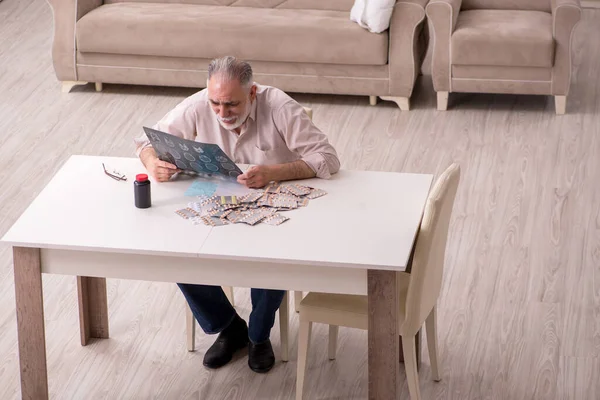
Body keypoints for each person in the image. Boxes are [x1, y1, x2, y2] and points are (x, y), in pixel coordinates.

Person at [134, 56, 340, 373]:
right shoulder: (198, 104)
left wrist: (277, 172)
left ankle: (259, 336)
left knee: (271, 256)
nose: (221, 113)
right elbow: (147, 140)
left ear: (253, 92)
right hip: (213, 205)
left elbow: (327, 158)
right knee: (175, 252)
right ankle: (229, 327)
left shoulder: (280, 107)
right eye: (215, 103)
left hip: (271, 207)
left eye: (231, 104)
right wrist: (151, 162)